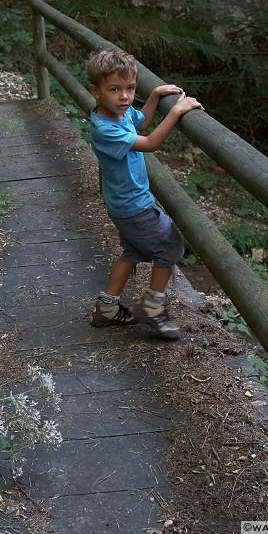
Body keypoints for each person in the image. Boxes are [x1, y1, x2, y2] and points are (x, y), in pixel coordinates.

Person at [85, 49, 202, 340]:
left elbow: (141, 123)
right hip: (133, 205)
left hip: (123, 203)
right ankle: (152, 305)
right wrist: (175, 111)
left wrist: (154, 96)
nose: (124, 96)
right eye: (114, 89)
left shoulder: (119, 114)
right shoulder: (105, 128)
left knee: (133, 252)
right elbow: (149, 142)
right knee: (171, 247)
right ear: (95, 90)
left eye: (130, 88)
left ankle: (107, 308)